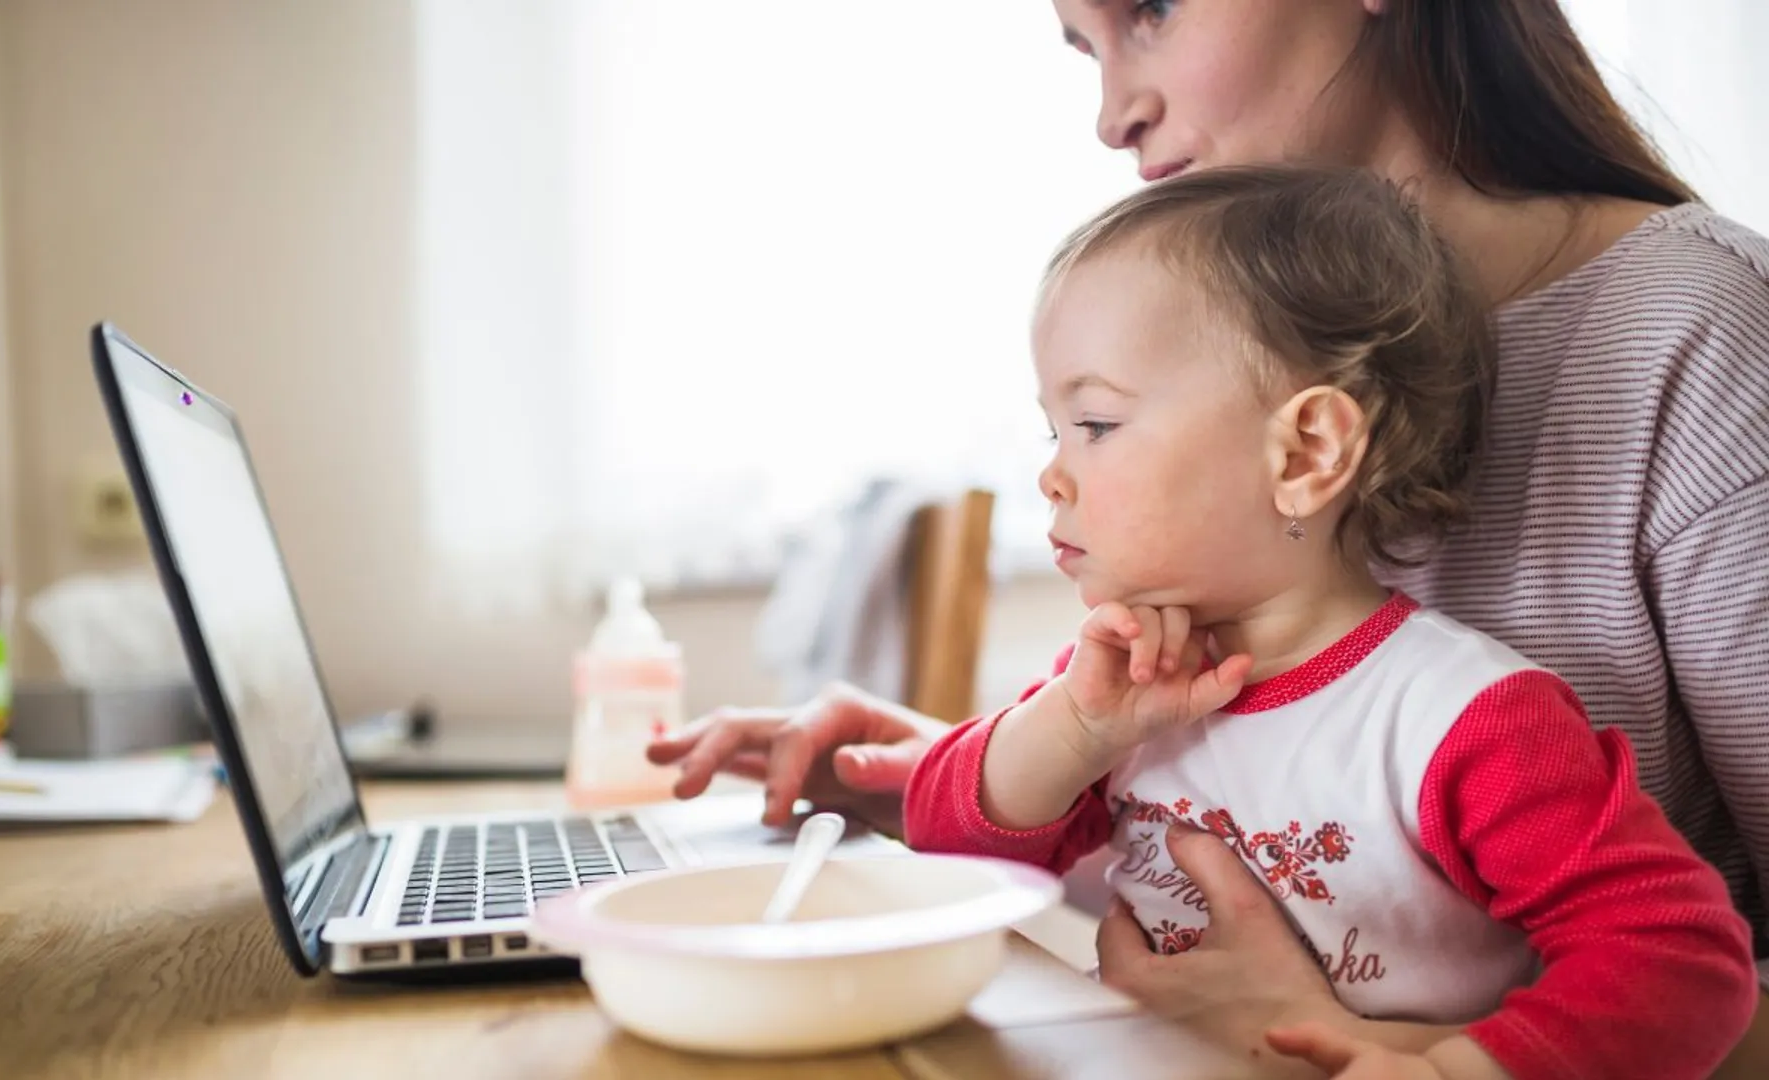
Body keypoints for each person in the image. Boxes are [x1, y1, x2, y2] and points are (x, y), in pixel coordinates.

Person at [647, 0, 1769, 1071]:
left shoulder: (1697, 333)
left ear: (1312, 453)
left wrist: (1378, 1049)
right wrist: (962, 764)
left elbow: (1667, 957)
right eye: (1083, 48)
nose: (1110, 114)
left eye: (1154, 9)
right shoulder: (1227, 461)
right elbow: (1274, 831)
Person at [901, 162, 1757, 1079]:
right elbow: (942, 851)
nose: (1053, 476)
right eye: (1053, 432)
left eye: (1097, 425)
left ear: (1306, 451)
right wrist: (1067, 731)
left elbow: (1681, 962)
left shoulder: (1466, 719)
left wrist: (1453, 1072)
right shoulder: (1122, 685)